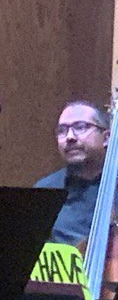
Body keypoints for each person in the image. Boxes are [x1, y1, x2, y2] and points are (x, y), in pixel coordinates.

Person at [35, 100, 111, 244]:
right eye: (62, 131)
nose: (70, 137)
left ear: (106, 138)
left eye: (80, 127)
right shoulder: (45, 191)